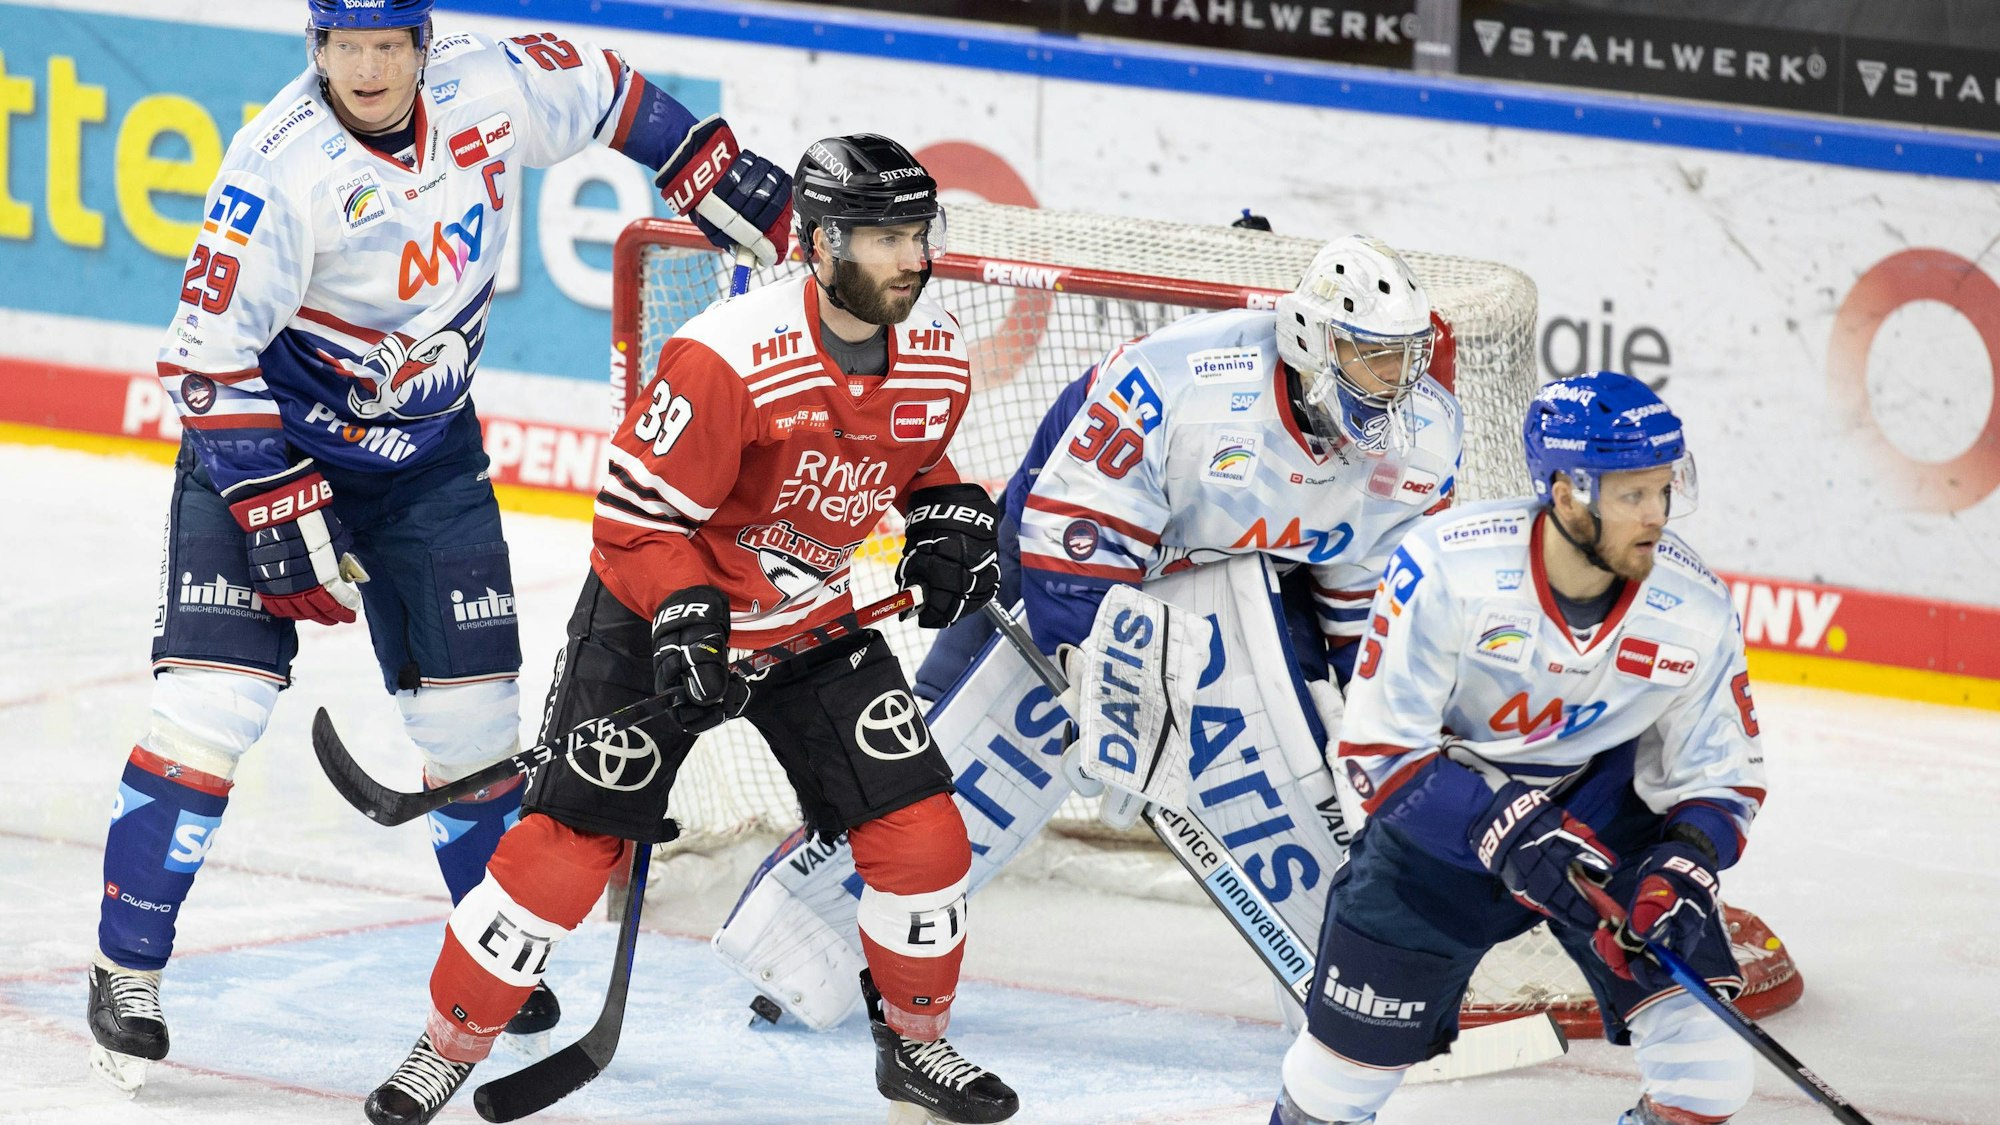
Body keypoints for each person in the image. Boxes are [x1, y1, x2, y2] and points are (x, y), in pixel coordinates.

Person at [86, 0, 793, 1095]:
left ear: (424, 45)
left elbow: (604, 85)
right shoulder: (275, 169)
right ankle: (124, 969)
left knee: (472, 731)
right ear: (314, 49)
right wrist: (271, 499)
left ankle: (491, 961)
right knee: (209, 711)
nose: (365, 70)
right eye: (342, 48)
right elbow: (200, 353)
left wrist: (697, 155)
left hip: (425, 466)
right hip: (270, 453)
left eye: (387, 46)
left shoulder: (491, 80)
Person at [364, 134, 1020, 1125]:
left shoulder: (934, 358)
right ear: (821, 241)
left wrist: (949, 525)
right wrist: (684, 624)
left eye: (916, 234)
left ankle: (914, 1049)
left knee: (922, 834)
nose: (910, 259)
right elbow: (632, 519)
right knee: (567, 849)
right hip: (654, 619)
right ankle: (444, 1046)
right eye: (884, 238)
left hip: (808, 625)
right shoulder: (730, 358)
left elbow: (914, 463)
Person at [715, 235, 1466, 1032]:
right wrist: (1101, 684)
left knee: (1302, 771)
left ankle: (1357, 982)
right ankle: (804, 934)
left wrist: (1366, 715)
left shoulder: (1420, 437)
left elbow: (1363, 591)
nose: (1397, 382)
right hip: (1071, 549)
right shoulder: (1186, 383)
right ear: (1313, 340)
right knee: (955, 749)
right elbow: (1067, 533)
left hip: (1237, 575)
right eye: (1373, 356)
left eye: (1406, 358)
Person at [1271, 371, 1765, 1125]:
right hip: (1438, 829)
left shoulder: (1691, 606)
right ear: (1566, 492)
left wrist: (1685, 860)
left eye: (1665, 489)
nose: (1657, 515)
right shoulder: (1448, 568)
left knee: (1709, 1073)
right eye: (1632, 494)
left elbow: (1719, 773)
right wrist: (1496, 823)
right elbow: (1377, 752)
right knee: (1330, 1092)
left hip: (1600, 819)